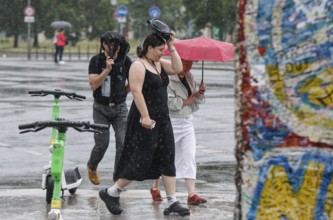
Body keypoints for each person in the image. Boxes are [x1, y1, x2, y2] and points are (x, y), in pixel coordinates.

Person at [98, 27, 191, 217]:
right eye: (160, 50)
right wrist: (146, 116)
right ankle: (111, 192)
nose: (161, 53)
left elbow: (178, 68)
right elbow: (136, 90)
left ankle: (172, 201)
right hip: (144, 120)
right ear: (149, 48)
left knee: (167, 157)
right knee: (140, 160)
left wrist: (172, 46)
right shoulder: (139, 65)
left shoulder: (159, 64)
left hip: (163, 119)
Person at [150, 59, 207, 205]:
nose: (189, 67)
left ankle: (191, 193)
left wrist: (199, 93)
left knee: (189, 155)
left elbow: (194, 101)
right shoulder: (169, 78)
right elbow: (171, 103)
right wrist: (191, 98)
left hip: (187, 121)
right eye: (186, 64)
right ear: (179, 62)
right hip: (171, 121)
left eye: (191, 64)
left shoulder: (190, 77)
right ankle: (155, 187)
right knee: (165, 155)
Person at [87, 31, 132, 185]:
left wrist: (123, 92)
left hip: (120, 108)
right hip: (100, 108)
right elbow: (93, 85)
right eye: (108, 44)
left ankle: (117, 177)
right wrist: (106, 70)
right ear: (103, 45)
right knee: (102, 143)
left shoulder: (126, 61)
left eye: (114, 45)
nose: (111, 47)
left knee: (122, 142)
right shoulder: (96, 61)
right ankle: (92, 166)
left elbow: (134, 81)